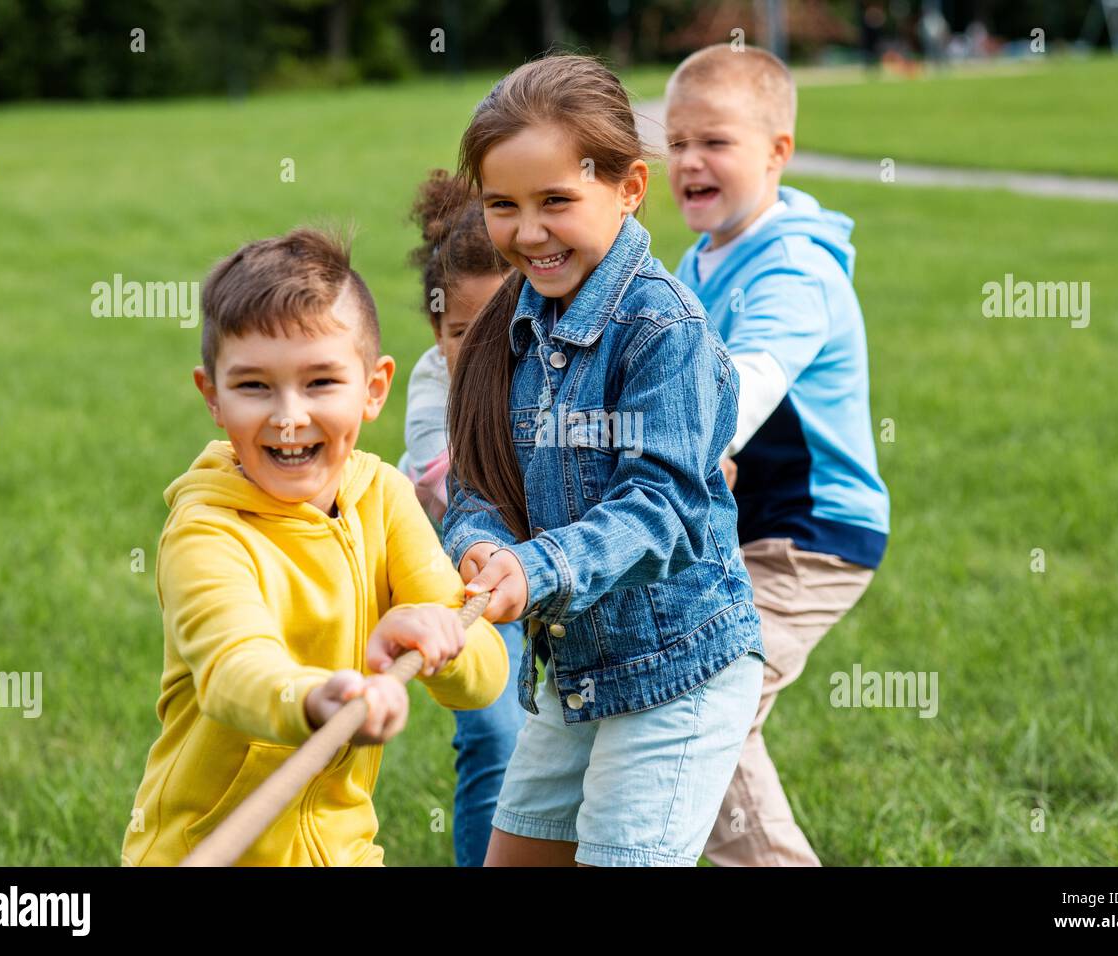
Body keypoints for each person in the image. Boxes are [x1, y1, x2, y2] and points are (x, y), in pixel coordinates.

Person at [442, 53, 765, 868]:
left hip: (678, 674)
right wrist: (479, 545)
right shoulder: (509, 324)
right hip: (576, 670)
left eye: (557, 201)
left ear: (628, 187)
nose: (527, 232)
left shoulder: (664, 330)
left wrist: (537, 567)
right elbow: (480, 481)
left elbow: (659, 508)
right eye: (501, 206)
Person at [121, 227, 509, 866]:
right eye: (253, 386)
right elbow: (232, 667)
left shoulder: (384, 497)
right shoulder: (207, 530)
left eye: (321, 382)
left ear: (374, 388)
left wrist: (442, 631)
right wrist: (315, 698)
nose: (289, 415)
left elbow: (484, 678)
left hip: (344, 852)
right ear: (212, 395)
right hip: (208, 848)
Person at [665, 44, 890, 865]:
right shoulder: (703, 258)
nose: (689, 160)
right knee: (685, 698)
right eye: (678, 140)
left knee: (705, 707)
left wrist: (676, 451)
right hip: (742, 527)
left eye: (716, 141)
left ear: (778, 152)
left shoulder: (794, 268)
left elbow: (752, 378)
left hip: (811, 533)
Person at [400, 169, 526, 868]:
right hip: (467, 578)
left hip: (552, 573)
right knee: (494, 737)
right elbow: (456, 481)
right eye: (457, 332)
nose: (477, 353)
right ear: (434, 328)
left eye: (500, 330)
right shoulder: (432, 384)